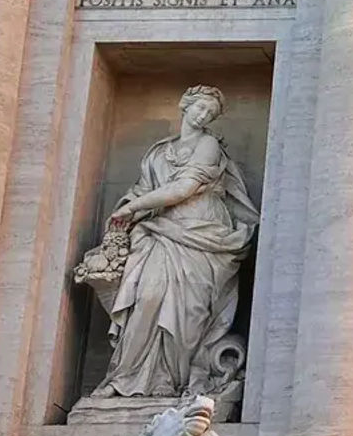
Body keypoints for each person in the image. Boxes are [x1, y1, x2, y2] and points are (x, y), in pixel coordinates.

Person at [80, 85, 259, 401]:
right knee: (147, 297)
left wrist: (132, 208)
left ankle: (169, 382)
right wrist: (130, 206)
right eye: (200, 108)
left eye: (210, 113)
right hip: (159, 232)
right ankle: (124, 377)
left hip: (202, 235)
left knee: (189, 311)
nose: (203, 116)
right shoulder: (158, 152)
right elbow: (143, 189)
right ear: (184, 105)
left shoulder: (208, 146)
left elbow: (184, 187)